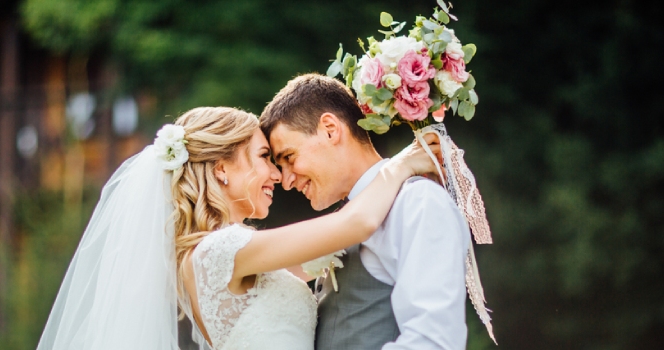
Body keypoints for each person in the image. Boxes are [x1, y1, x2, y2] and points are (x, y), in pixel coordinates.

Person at [37, 106, 441, 350]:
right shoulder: (222, 250)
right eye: (265, 157)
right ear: (222, 169)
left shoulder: (217, 256)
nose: (277, 176)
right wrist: (402, 164)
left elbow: (328, 252)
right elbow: (355, 223)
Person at [260, 74, 470, 350]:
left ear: (330, 129)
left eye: (289, 157)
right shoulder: (343, 223)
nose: (286, 181)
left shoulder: (417, 201)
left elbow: (433, 341)